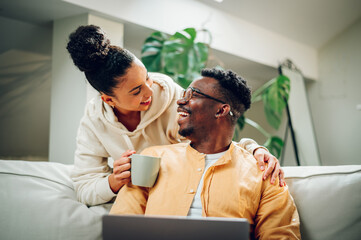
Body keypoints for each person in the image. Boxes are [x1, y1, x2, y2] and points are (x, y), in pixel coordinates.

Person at [66, 25, 285, 207]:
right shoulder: (94, 121)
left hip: (185, 194)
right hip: (142, 201)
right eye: (136, 91)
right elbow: (84, 188)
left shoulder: (176, 100)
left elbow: (217, 140)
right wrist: (114, 181)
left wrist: (254, 149)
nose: (149, 92)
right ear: (108, 100)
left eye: (147, 79)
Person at [110, 68, 300, 239]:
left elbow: (280, 236)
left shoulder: (265, 174)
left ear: (221, 110)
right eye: (184, 93)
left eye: (192, 95)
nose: (180, 100)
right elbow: (122, 225)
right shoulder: (152, 159)